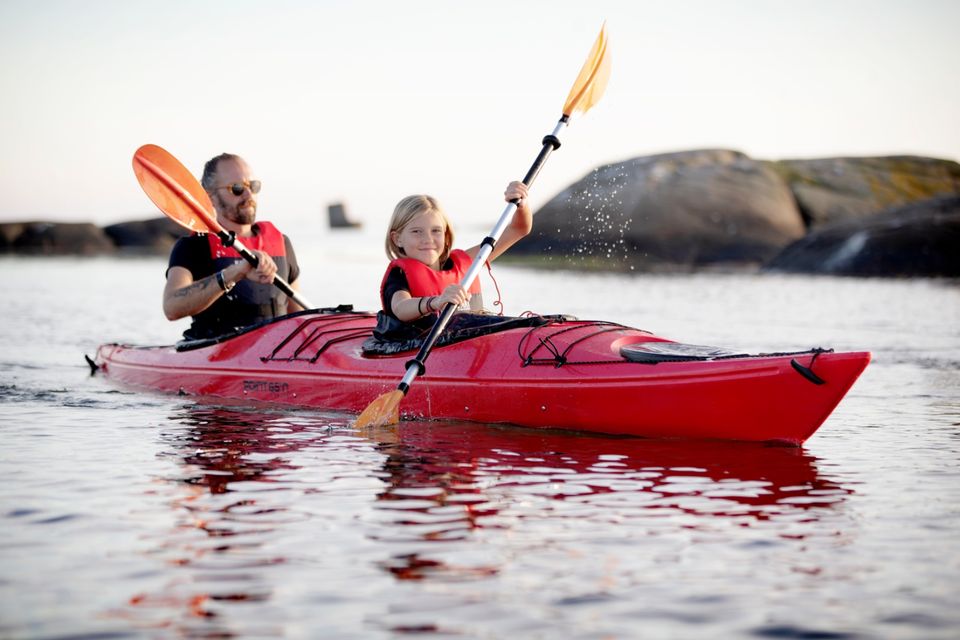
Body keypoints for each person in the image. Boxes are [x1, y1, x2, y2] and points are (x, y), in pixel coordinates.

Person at [163, 153, 303, 340]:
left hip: (274, 353)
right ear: (210, 197)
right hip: (215, 354)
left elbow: (300, 319)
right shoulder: (193, 246)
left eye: (253, 186)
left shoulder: (281, 243)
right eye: (236, 189)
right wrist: (233, 274)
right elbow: (171, 307)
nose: (248, 195)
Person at [378, 181, 531, 334]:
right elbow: (400, 307)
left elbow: (518, 230)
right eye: (416, 231)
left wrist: (521, 205)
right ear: (397, 238)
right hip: (419, 345)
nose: (428, 239)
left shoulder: (469, 262)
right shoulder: (399, 275)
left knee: (532, 323)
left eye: (436, 231)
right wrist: (436, 302)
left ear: (446, 235)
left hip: (473, 342)